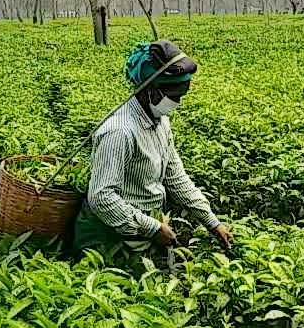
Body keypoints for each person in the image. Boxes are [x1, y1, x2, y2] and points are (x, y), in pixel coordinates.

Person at [73, 40, 234, 255]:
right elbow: (101, 197)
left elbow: (175, 177)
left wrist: (212, 222)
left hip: (145, 225)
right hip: (108, 237)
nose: (176, 102)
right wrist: (153, 228)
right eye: (172, 96)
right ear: (148, 90)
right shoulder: (119, 131)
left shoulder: (160, 122)